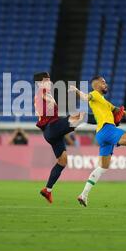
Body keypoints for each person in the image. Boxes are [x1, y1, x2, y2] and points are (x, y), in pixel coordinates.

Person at [69, 76, 126, 207]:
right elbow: (85, 97)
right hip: (107, 129)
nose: (105, 84)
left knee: (102, 167)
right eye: (103, 82)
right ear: (95, 84)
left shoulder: (106, 103)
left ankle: (83, 194)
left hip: (101, 135)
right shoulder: (94, 94)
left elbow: (125, 113)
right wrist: (76, 90)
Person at [33, 72, 85, 204]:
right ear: (39, 83)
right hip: (52, 127)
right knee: (81, 116)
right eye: (46, 80)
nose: (49, 82)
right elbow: (44, 99)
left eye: (50, 80)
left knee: (62, 160)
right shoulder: (42, 92)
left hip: (49, 133)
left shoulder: (43, 94)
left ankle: (48, 190)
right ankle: (110, 119)